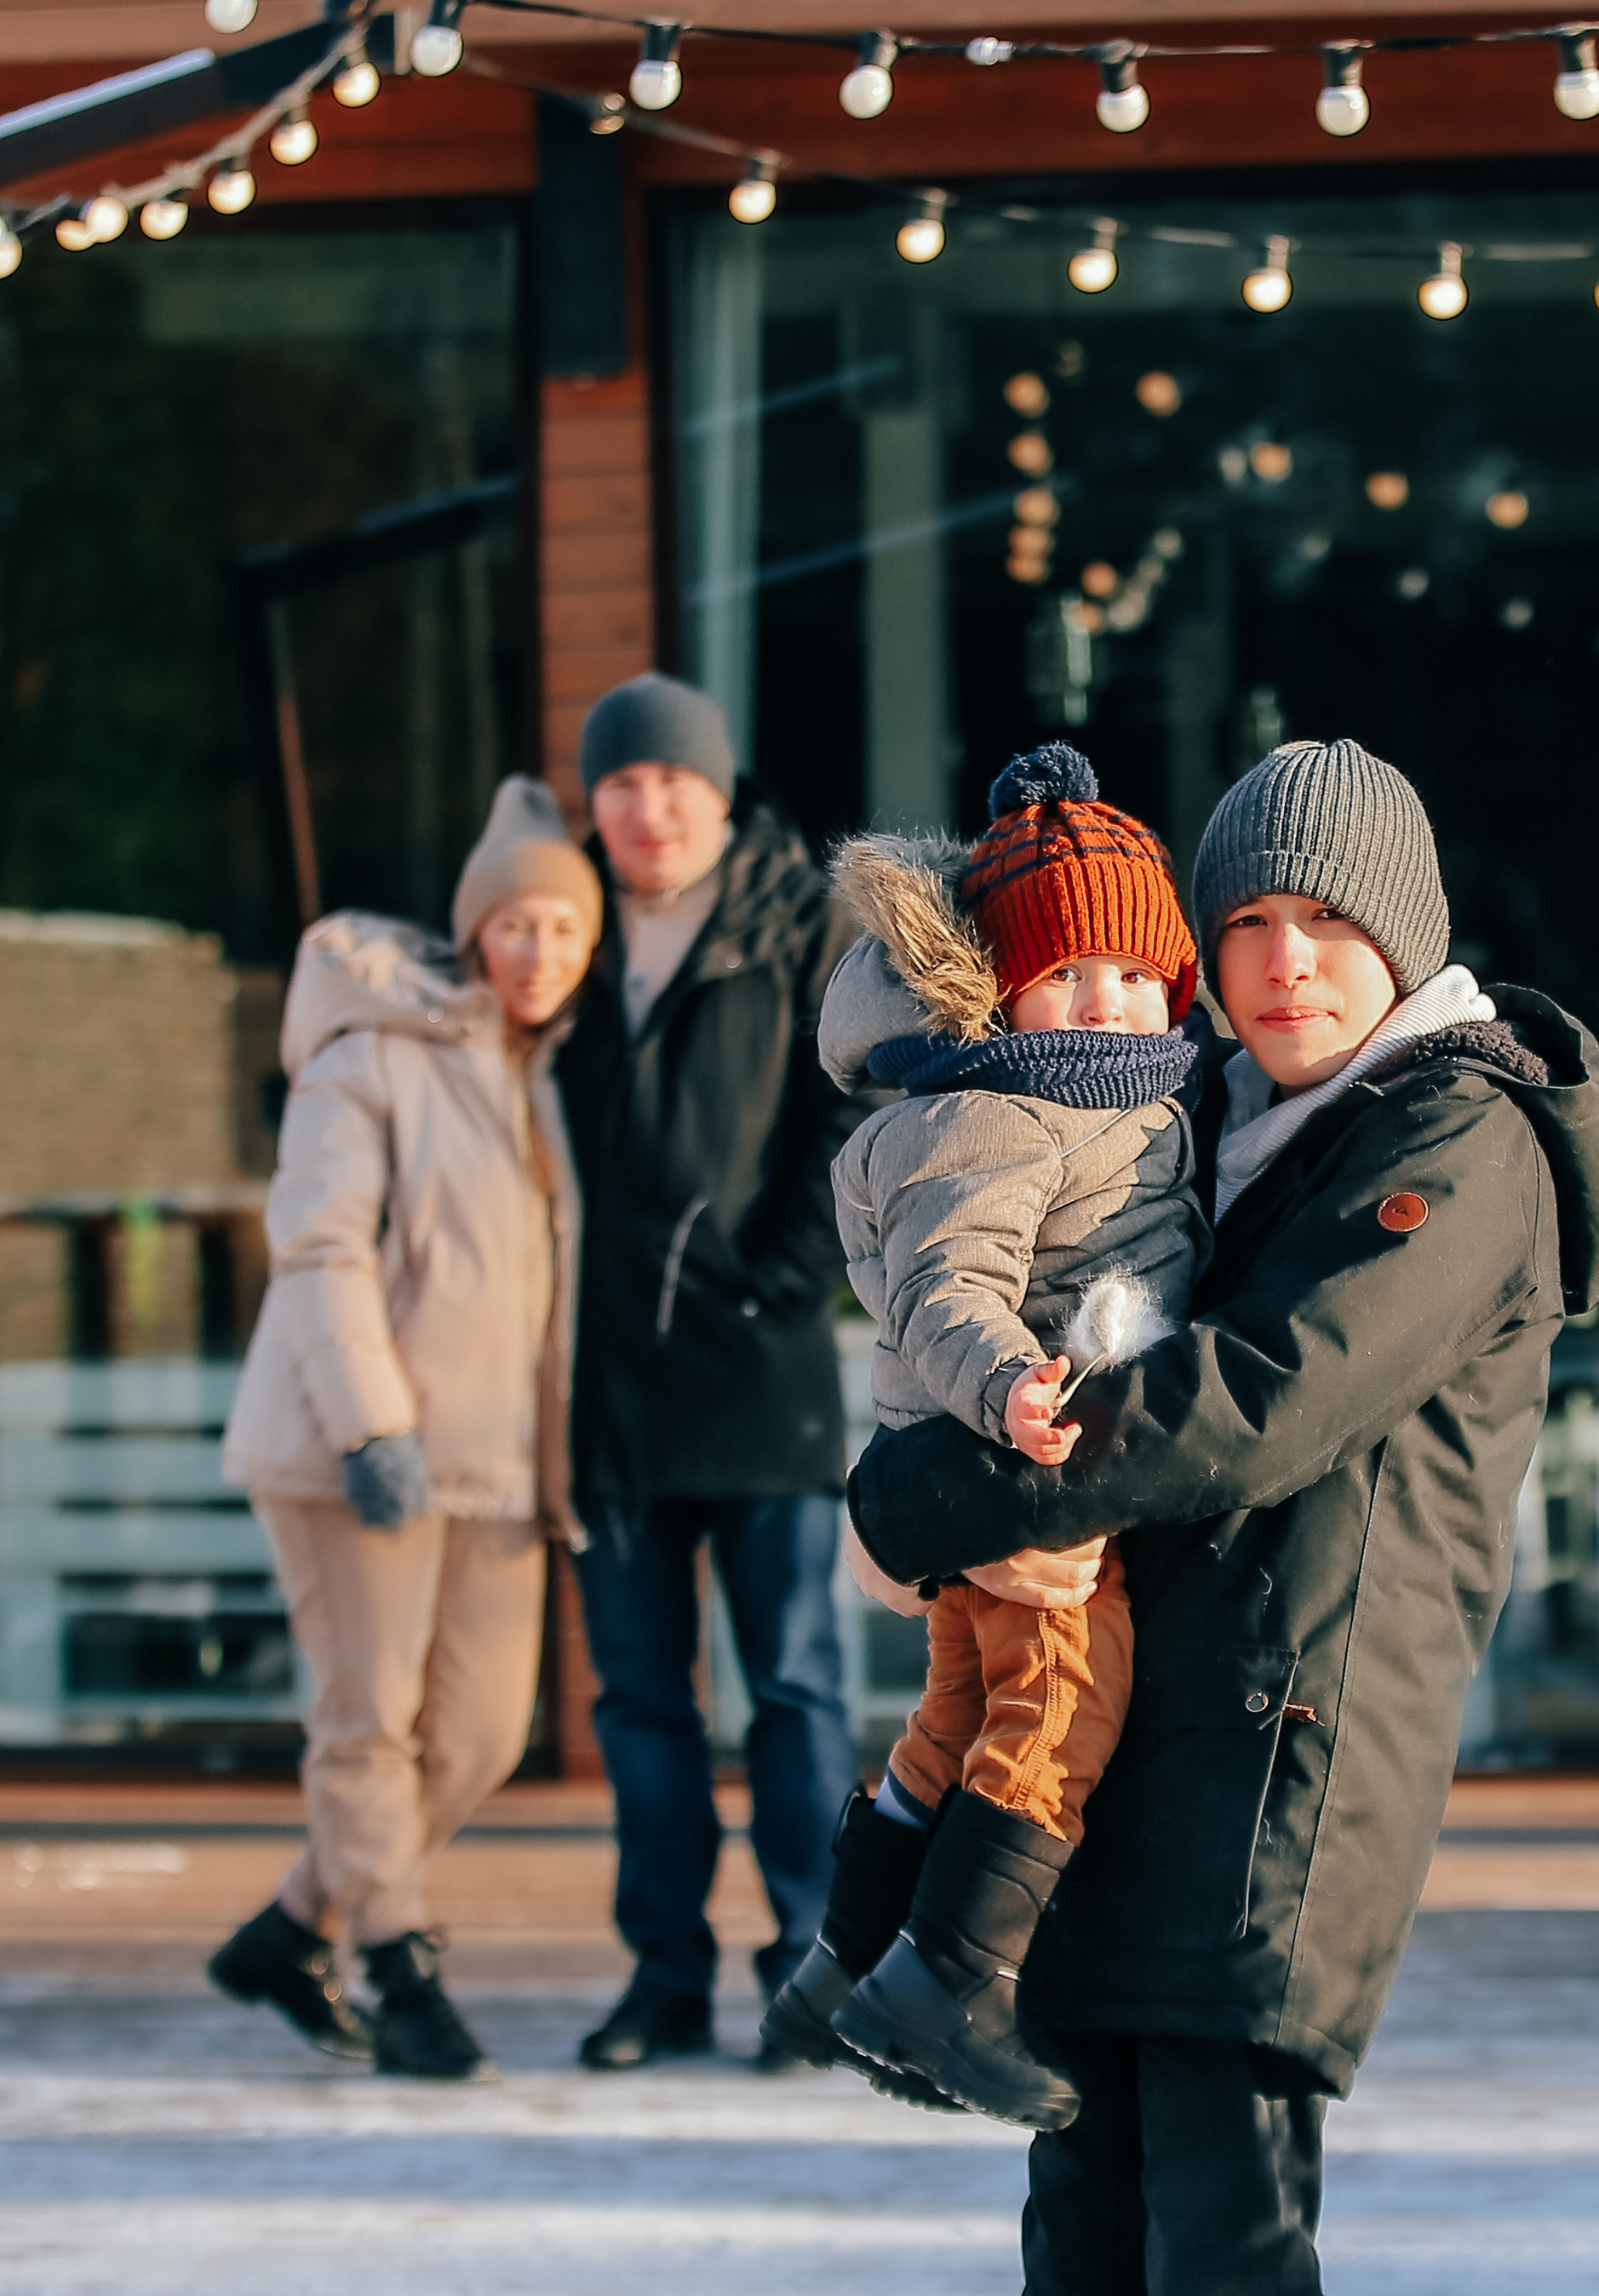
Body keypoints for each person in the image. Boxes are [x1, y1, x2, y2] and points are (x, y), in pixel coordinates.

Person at [845, 740, 1599, 2296]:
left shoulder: (1454, 1134)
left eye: (1323, 926)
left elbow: (1271, 1395)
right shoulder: (1214, 1118)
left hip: (1287, 1783)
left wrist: (962, 1487)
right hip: (1134, 1765)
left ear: (1398, 938)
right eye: (1247, 931)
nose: (1282, 963)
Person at [756, 743, 1207, 2123]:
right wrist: (1010, 1383)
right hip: (1027, 1475)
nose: (1110, 1003)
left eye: (1138, 976)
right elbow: (951, 1284)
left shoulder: (1092, 1103)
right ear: (1001, 989)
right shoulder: (1006, 1114)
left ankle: (842, 1966)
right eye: (1072, 975)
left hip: (982, 1475)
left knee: (957, 1712)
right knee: (1065, 1701)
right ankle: (950, 1979)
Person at [208, 780, 599, 2081]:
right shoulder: (372, 1050)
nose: (538, 951)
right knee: (366, 1720)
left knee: (481, 1735)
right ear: (475, 930)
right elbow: (318, 1250)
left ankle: (288, 1927)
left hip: (490, 1469)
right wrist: (375, 1429)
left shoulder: (539, 1077)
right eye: (517, 924)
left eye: (565, 928)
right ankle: (400, 1968)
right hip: (350, 1449)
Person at [553, 673, 863, 2070]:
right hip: (608, 1388)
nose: (648, 806)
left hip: (760, 1372)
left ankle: (814, 1967)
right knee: (638, 1699)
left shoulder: (798, 924)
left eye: (674, 780)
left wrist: (776, 1283)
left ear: (722, 791)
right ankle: (664, 1974)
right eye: (621, 783)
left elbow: (847, 1120)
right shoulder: (560, 938)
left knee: (794, 1686)